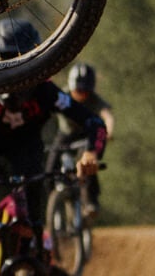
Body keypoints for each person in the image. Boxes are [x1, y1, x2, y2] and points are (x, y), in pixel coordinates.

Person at [0, 20, 107, 275]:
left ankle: (35, 243)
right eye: (2, 60)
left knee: (33, 202)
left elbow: (94, 122)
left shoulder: (47, 92)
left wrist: (90, 154)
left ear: (35, 60)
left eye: (19, 60)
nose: (11, 70)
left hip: (24, 144)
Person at [60, 64, 114, 219]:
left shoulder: (95, 100)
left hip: (85, 135)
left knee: (88, 163)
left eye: (85, 91)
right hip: (65, 134)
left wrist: (108, 131)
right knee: (50, 165)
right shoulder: (61, 95)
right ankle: (58, 196)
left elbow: (107, 116)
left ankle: (91, 201)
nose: (81, 94)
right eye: (78, 90)